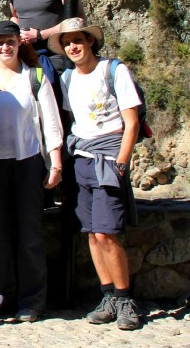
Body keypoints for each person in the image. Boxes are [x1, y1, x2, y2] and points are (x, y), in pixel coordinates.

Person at [50, 17, 143, 330]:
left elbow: (131, 122)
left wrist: (121, 161)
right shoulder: (67, 80)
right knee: (91, 231)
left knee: (108, 232)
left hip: (108, 157)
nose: (73, 46)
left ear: (90, 41)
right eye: (67, 42)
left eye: (78, 40)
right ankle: (108, 296)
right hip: (82, 159)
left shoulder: (114, 71)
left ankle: (125, 297)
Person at [0, 21, 64, 322]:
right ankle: (3, 294)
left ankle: (33, 299)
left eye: (10, 41)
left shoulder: (34, 77)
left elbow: (51, 122)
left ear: (18, 43)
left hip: (27, 161)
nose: (5, 47)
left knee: (30, 233)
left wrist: (56, 162)